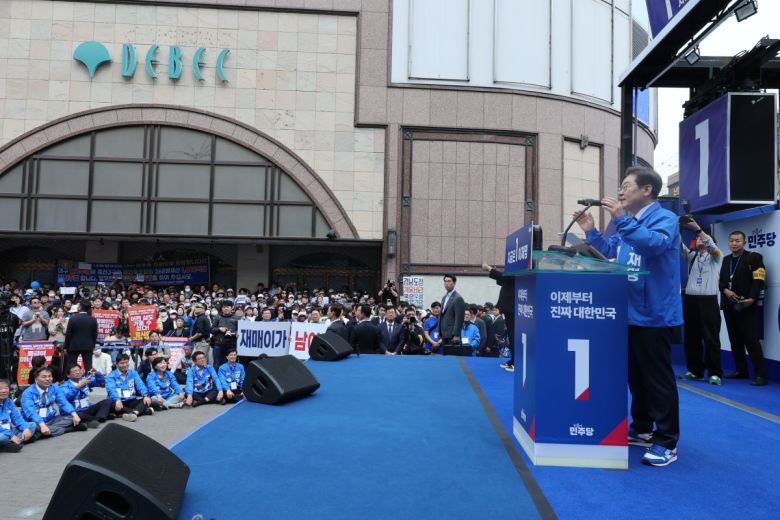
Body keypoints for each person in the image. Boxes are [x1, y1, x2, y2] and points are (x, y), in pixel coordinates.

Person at [575, 165, 682, 467]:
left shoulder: (665, 219)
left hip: (654, 315)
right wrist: (591, 231)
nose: (620, 191)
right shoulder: (628, 223)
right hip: (628, 313)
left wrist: (620, 219)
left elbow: (653, 244)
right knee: (636, 377)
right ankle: (642, 427)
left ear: (646, 190)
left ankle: (667, 441)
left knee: (657, 380)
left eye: (626, 185)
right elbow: (613, 252)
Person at [719, 230, 767, 386]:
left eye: (738, 241)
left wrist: (752, 298)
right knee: (735, 340)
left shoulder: (753, 257)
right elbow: (721, 281)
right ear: (728, 243)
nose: (734, 243)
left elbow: (759, 279)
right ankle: (741, 371)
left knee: (751, 340)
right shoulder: (726, 260)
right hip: (729, 304)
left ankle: (760, 375)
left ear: (744, 242)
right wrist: (725, 290)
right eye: (731, 240)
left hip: (746, 304)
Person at [678, 221, 724, 385]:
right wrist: (676, 227)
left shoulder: (717, 257)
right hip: (691, 301)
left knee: (711, 338)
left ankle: (715, 373)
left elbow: (710, 245)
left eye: (701, 238)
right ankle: (695, 371)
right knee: (691, 338)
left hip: (708, 302)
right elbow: (678, 245)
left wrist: (698, 229)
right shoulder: (693, 256)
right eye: (697, 238)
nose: (698, 240)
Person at [21, 367, 85, 437]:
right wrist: (41, 424)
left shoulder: (54, 387)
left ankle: (42, 433)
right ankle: (67, 429)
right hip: (35, 422)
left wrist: (74, 414)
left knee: (71, 417)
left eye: (50, 376)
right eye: (44, 377)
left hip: (51, 419)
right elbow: (31, 412)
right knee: (32, 426)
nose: (48, 379)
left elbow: (63, 403)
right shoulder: (28, 393)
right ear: (36, 379)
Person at [482, 262, 516, 371]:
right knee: (511, 335)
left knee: (513, 335)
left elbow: (504, 277)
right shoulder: (512, 274)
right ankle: (513, 360)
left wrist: (489, 269)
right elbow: (502, 280)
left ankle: (516, 362)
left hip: (512, 308)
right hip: (508, 308)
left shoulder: (518, 270)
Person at [105, 353, 153, 422]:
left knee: (147, 399)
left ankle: (134, 413)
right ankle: (141, 411)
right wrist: (117, 400)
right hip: (118, 401)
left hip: (131, 400)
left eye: (126, 362)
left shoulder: (133, 373)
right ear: (117, 364)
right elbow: (111, 390)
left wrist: (145, 395)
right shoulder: (111, 376)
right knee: (110, 405)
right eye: (122, 363)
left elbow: (140, 385)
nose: (125, 365)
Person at [0, 378, 35, 453]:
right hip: (2, 432)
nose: (3, 391)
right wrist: (11, 435)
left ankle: (10, 444)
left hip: (9, 429)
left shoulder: (8, 401)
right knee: (2, 437)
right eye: (0, 389)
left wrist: (25, 428)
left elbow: (17, 418)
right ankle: (12, 443)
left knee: (32, 425)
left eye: (6, 388)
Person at [63, 299, 98, 373]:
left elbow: (68, 334)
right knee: (88, 366)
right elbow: (94, 334)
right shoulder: (93, 319)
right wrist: (93, 344)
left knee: (71, 366)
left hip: (74, 346)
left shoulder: (73, 318)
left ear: (80, 307)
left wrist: (66, 346)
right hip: (88, 346)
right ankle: (88, 382)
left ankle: (71, 381)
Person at [439, 274, 465, 346]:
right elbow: (442, 316)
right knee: (445, 356)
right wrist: (439, 331)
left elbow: (459, 318)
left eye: (449, 281)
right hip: (444, 334)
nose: (447, 283)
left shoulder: (458, 298)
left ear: (454, 282)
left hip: (452, 335)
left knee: (452, 356)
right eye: (445, 281)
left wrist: (456, 334)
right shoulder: (444, 297)